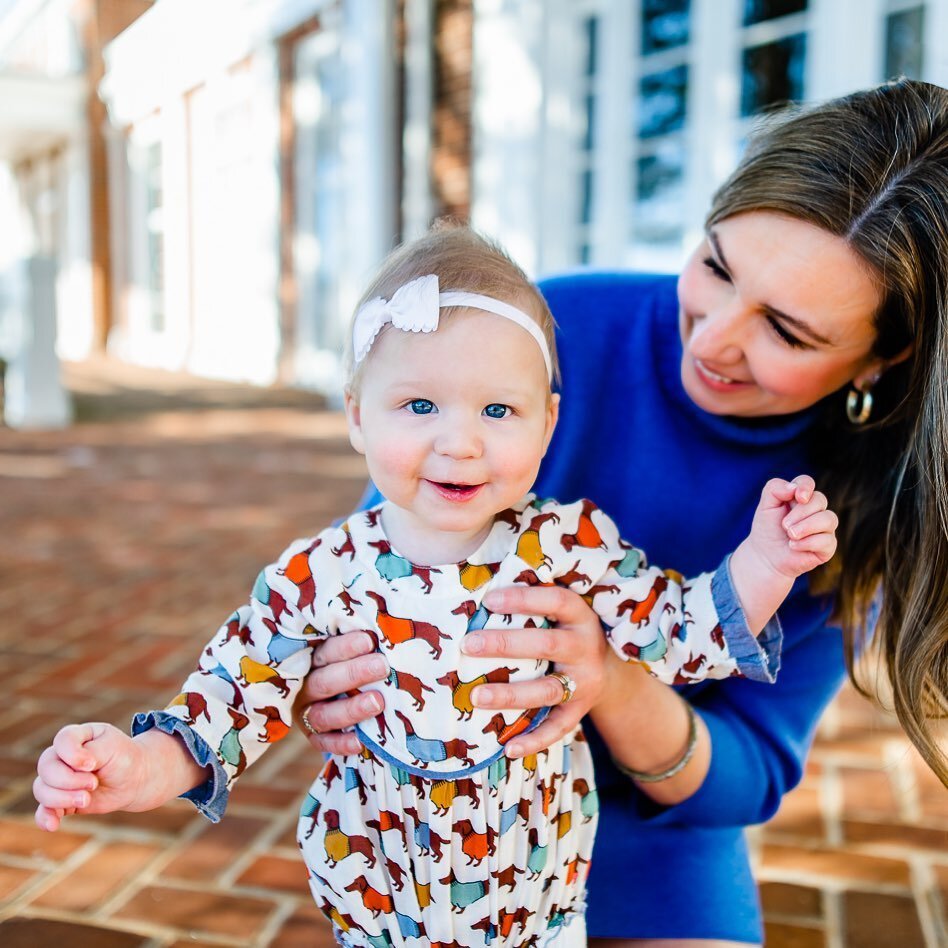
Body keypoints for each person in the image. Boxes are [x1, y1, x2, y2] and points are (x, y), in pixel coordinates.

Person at [32, 226, 838, 948]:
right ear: (357, 416)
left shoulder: (573, 547)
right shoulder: (321, 571)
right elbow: (234, 693)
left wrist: (764, 562)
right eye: (419, 404)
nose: (461, 444)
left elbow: (679, 629)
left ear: (548, 424)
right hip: (381, 885)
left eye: (498, 409)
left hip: (540, 886)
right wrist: (146, 764)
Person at [291, 78, 948, 947]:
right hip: (449, 819)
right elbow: (375, 563)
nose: (711, 338)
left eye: (787, 333)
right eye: (715, 267)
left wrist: (606, 678)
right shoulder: (541, 332)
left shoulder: (863, 496)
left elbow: (746, 776)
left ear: (883, 357)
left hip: (655, 830)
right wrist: (320, 672)